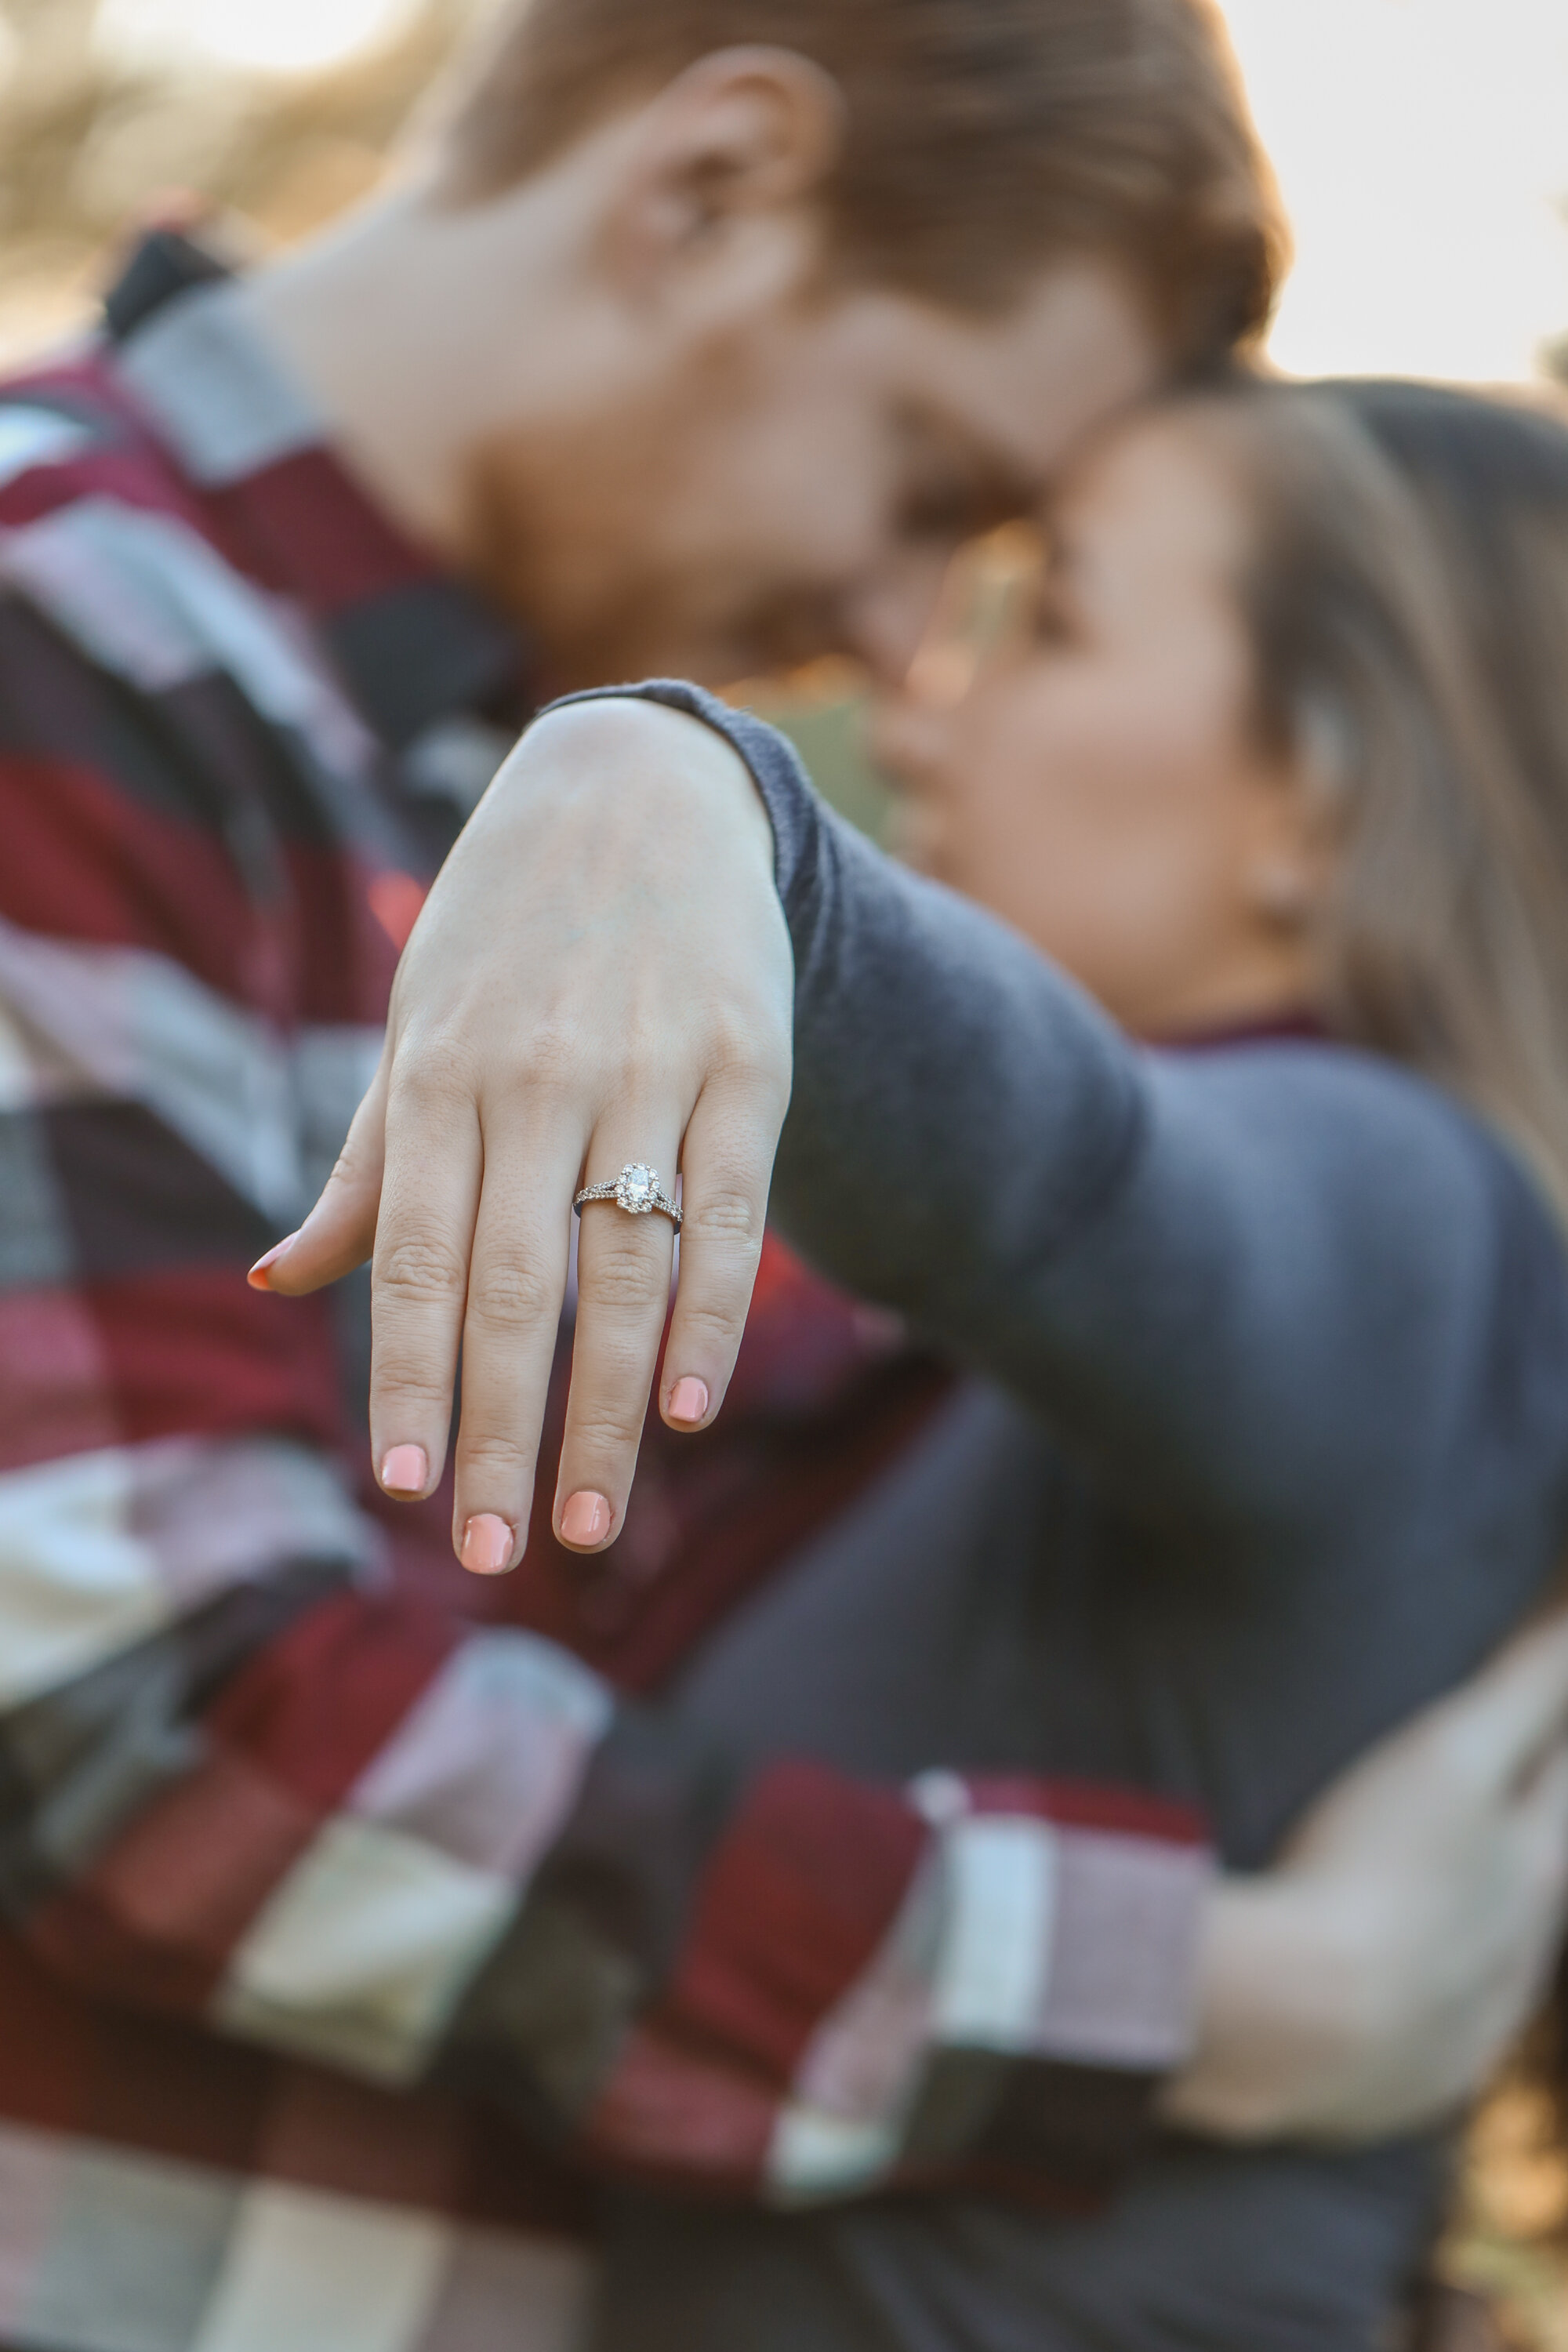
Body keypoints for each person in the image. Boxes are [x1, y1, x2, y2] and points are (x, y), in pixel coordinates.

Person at [0, 0, 1562, 2329]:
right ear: (711, 187)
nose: (900, 642)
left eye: (1026, 575)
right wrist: (1207, 2001)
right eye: (935, 482)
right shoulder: (73, 634)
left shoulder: (518, 822)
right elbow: (120, 1703)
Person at [281, 376, 1568, 2347]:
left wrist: (700, 806)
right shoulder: (990, 1393)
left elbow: (1081, 1169)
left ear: (1318, 800)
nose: (925, 703)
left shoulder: (1410, 1209)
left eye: (1048, 622)